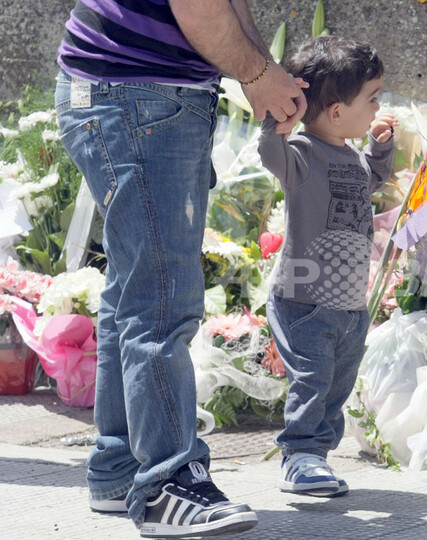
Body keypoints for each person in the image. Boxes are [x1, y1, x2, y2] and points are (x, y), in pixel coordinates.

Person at [54, 0, 306, 537]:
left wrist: (263, 71)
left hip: (132, 91)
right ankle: (167, 485)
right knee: (160, 299)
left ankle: (120, 467)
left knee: (135, 290)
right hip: (136, 95)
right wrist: (258, 74)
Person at [258, 35, 397, 497]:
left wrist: (379, 147)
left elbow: (370, 179)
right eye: (372, 99)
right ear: (337, 112)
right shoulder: (301, 154)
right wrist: (276, 121)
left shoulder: (352, 157)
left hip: (349, 304)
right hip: (305, 300)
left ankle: (316, 455)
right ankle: (299, 456)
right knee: (313, 378)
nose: (377, 107)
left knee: (337, 382)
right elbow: (271, 154)